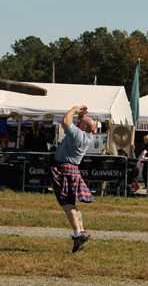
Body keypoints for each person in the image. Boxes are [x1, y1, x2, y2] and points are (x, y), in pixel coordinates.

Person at [50, 105, 95, 253]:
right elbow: (82, 123)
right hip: (72, 170)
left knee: (66, 203)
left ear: (81, 126)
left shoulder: (77, 135)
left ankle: (78, 234)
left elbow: (65, 121)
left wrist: (74, 109)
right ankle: (81, 232)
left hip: (64, 171)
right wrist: (81, 116)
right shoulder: (88, 136)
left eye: (80, 122)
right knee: (71, 203)